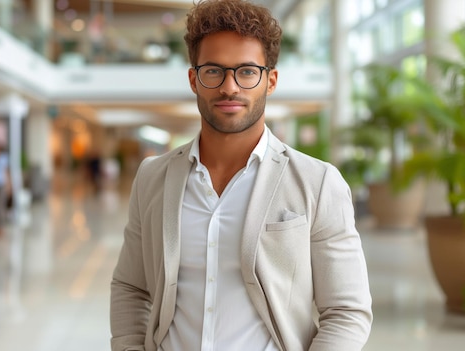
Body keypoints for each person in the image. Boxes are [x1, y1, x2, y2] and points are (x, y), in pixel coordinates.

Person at [110, 1, 373, 350]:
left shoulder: (318, 182)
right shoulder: (152, 177)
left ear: (271, 80)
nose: (230, 87)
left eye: (247, 71)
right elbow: (131, 286)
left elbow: (347, 310)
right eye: (214, 71)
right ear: (194, 79)